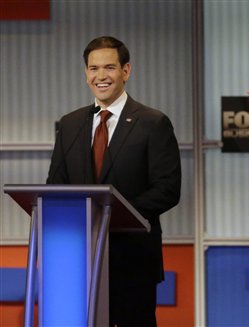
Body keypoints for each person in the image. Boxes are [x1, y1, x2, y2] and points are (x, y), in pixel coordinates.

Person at [47, 36, 181, 327]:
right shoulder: (70, 124)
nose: (101, 76)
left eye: (109, 67)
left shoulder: (152, 122)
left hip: (132, 261)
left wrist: (113, 214)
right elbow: (55, 185)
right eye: (93, 68)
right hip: (78, 260)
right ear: (86, 74)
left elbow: (168, 190)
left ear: (126, 71)